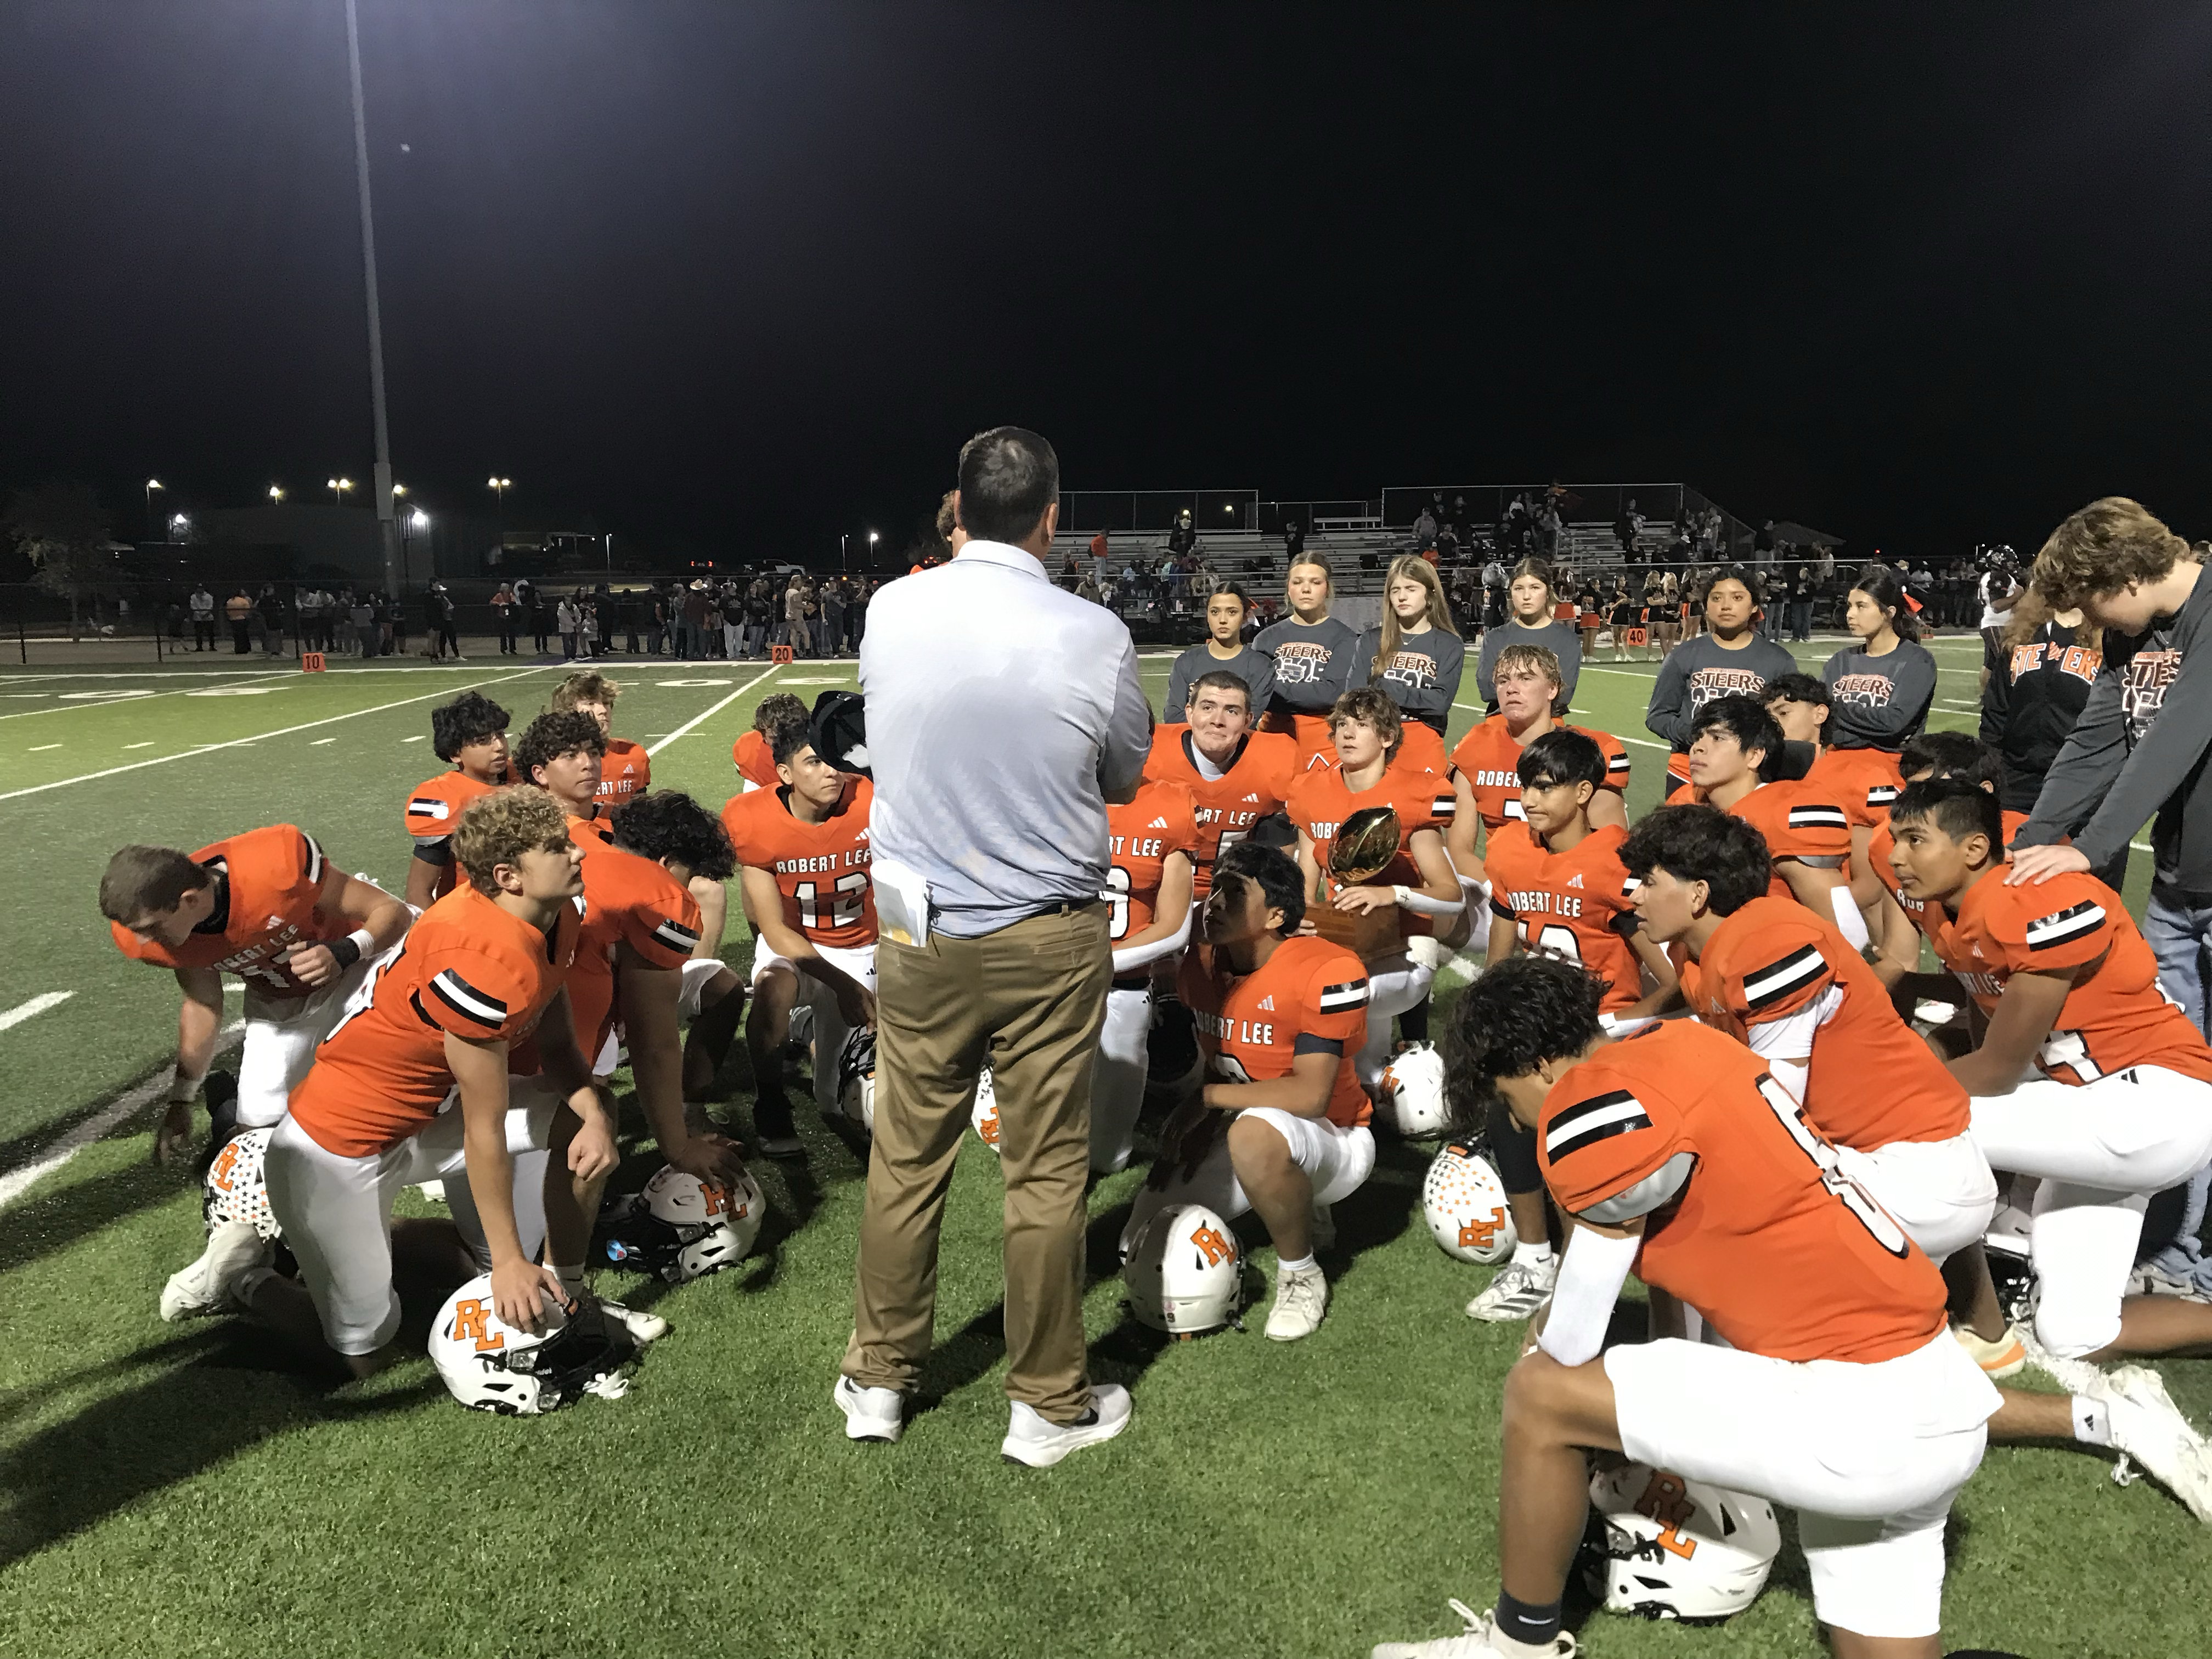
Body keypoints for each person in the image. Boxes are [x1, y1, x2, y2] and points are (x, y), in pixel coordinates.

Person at [1373, 958, 2000, 1659]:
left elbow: (1573, 1340)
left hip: (1856, 1410)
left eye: (1506, 1096)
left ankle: (1515, 1647)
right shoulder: (1688, 1043)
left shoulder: (1589, 1100)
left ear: (1540, 1063)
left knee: (1540, 1397)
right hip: (1937, 1393)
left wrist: (1547, 1345)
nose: (1516, 1118)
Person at [837, 426, 1149, 1465]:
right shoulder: (1094, 632)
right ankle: (1044, 1400)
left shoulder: (891, 604)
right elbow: (1119, 778)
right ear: (1052, 517)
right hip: (1046, 933)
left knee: (906, 1156)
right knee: (1046, 1173)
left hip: (916, 929)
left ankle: (877, 1379)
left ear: (956, 507)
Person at [1620, 804, 2020, 1373]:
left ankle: (1698, 1375)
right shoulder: (1712, 946)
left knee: (1693, 1199)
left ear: (1698, 894)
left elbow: (1771, 1113)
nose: (1634, 895)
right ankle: (1979, 1334)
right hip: (1883, 1159)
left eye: (1651, 880)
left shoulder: (1768, 944)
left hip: (1917, 1175)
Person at [246, 790, 610, 1376]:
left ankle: (565, 1284)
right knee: (363, 1359)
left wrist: (592, 1116)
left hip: (425, 1120)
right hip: (341, 1147)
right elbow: (483, 1125)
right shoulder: (480, 957)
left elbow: (561, 1047)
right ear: (507, 876)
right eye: (557, 847)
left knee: (588, 1114)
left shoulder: (553, 913)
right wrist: (510, 1262)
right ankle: (247, 1277)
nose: (576, 854)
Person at [1888, 781, 2212, 1389]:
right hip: (2091, 1110)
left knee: (1915, 1124)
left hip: (2155, 1102)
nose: (1898, 856)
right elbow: (1990, 1033)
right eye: (1895, 839)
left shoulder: (2037, 901)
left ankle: (1980, 1329)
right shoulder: (1946, 910)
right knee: (2077, 1335)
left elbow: (1996, 1071)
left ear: (1975, 848)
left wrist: (1876, 1090)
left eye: (1915, 840)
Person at [1120, 842, 1373, 1342]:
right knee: (1138, 1244)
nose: (1213, 903)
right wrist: (1199, 1129)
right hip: (1252, 1118)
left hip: (1335, 1137)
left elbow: (1309, 1098)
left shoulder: (1326, 969)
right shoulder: (1202, 964)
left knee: (1258, 1133)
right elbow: (1225, 1064)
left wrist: (1207, 1103)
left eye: (1234, 895)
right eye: (1215, 889)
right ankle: (1292, 1198)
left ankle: (1301, 1272)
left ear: (1277, 914)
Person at [100, 826, 414, 1164]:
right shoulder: (158, 934)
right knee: (257, 1138)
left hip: (367, 965)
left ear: (189, 900)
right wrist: (181, 1101)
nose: (144, 941)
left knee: (414, 1062)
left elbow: (392, 911)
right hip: (283, 999)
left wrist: (346, 951)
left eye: (151, 928)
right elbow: (203, 1004)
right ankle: (227, 1110)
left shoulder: (274, 871)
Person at [1286, 689, 1463, 1092]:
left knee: (1340, 997)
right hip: (1344, 936)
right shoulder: (1312, 790)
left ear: (1387, 737)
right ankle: (1373, 1085)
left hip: (1404, 944)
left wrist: (1393, 894)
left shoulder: (1414, 794)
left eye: (1361, 725)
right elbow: (1306, 879)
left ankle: (1359, 1084)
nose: (1347, 734)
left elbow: (1452, 894)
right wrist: (1299, 919)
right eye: (1342, 725)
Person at [720, 726, 877, 1156]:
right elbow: (774, 930)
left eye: (834, 761)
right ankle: (770, 1103)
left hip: (860, 945)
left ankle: (806, 1029)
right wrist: (843, 986)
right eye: (815, 762)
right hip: (795, 942)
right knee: (774, 986)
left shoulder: (871, 798)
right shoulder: (753, 818)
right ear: (786, 773)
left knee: (840, 1103)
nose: (831, 773)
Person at [1444, 646, 1628, 905]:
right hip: (1500, 888)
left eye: (1526, 678)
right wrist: (1502, 894)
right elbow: (1459, 850)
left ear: (1552, 689)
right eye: (1503, 680)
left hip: (1576, 889)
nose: (1511, 688)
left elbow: (1611, 846)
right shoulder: (1475, 747)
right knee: (1430, 915)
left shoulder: (1590, 749)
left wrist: (1549, 897)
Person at [1685, 695, 1867, 947]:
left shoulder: (1779, 813)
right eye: (1698, 737)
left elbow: (1848, 934)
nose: (1698, 747)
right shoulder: (1689, 805)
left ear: (1754, 755)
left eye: (1717, 738)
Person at [1091, 774, 1199, 1174]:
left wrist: (1095, 964)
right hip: (1052, 979)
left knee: (1108, 1155)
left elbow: (1174, 929)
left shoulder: (1171, 806)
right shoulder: (1054, 789)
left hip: (1124, 984)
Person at [1143, 670, 1299, 900]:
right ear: (1189, 713)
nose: (1218, 720)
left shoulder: (1277, 756)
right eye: (1208, 707)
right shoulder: (1152, 751)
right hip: (1155, 889)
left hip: (1233, 894)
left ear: (1248, 720)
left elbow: (1279, 850)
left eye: (1232, 711)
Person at [1644, 565, 1796, 798]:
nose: (1726, 606)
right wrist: (1699, 736)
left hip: (1748, 774)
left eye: (1737, 597)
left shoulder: (1779, 661)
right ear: (1706, 606)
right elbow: (1658, 716)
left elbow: (1788, 724)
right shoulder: (1683, 655)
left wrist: (1740, 745)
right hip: (1688, 770)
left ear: (1754, 605)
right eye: (1716, 598)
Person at [1818, 563, 1938, 826]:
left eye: (1862, 607)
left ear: (1889, 613)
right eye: (1850, 606)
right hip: (1834, 766)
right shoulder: (1840, 661)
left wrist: (1834, 710)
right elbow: (1818, 720)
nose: (1851, 615)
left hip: (1886, 771)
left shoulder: (1916, 661)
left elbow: (1894, 723)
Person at [1983, 591, 2106, 836]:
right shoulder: (2024, 635)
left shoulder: (2113, 634)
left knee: (2086, 871)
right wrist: (1993, 767)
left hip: (2085, 782)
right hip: (2018, 779)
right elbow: (1996, 708)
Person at [1355, 555, 1465, 779]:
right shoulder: (1369, 641)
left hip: (1423, 745)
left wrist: (1384, 687)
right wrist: (1418, 699)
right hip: (1373, 743)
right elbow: (1354, 698)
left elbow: (1439, 704)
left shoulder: (1448, 644)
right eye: (1395, 590)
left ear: (1430, 594)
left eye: (1411, 589)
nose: (1402, 597)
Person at [403, 692, 512, 909]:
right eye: (483, 741)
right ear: (455, 754)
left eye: (500, 734)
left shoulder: (521, 775)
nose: (499, 746)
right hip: (472, 913)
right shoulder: (444, 797)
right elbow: (418, 892)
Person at [1254, 557, 1358, 770]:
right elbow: (1256, 694)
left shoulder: (1345, 638)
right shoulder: (1265, 638)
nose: (1306, 589)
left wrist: (1276, 691)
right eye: (1298, 582)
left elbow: (1332, 694)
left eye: (1315, 582)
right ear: (1288, 588)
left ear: (1327, 588)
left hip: (1324, 744)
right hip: (1272, 738)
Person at [1472, 558, 1579, 715]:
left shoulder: (1567, 640)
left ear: (1548, 591)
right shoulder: (1495, 638)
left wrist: (1507, 685)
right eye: (1519, 589)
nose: (1526, 596)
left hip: (1548, 729)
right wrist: (1537, 688)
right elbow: (1487, 690)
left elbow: (1564, 694)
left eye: (1535, 587)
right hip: (1501, 726)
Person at [1162, 580, 1276, 719]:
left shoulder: (1261, 666)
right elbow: (1173, 717)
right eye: (1215, 612)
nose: (1223, 620)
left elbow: (1247, 720)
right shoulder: (1186, 662)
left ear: (1245, 616)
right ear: (1207, 616)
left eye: (1232, 612)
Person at [550, 671, 650, 812]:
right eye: (591, 703)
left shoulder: (633, 754)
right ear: (568, 710)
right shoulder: (551, 759)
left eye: (606, 703)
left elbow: (640, 813)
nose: (603, 710)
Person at [514, 709, 611, 845]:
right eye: (571, 755)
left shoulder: (623, 821)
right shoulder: (526, 837)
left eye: (593, 753)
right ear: (540, 774)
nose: (588, 764)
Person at [492, 583, 520, 655]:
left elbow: (514, 601)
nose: (507, 589)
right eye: (505, 588)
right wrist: (500, 604)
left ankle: (512, 648)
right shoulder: (499, 595)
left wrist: (509, 604)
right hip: (501, 616)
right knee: (502, 633)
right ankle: (503, 648)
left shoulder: (510, 595)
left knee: (512, 633)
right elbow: (493, 602)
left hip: (509, 616)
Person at [225, 588, 253, 653]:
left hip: (233, 619)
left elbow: (228, 610)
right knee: (243, 635)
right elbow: (247, 610)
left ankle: (238, 649)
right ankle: (244, 649)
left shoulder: (230, 601)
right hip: (242, 618)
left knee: (236, 635)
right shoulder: (243, 601)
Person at [189, 583, 216, 651]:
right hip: (198, 618)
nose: (200, 589)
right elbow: (193, 606)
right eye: (199, 588)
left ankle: (212, 646)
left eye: (201, 588)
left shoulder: (209, 596)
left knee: (211, 633)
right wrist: (199, 614)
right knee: (198, 634)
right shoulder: (193, 597)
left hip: (208, 617)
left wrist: (205, 613)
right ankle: (199, 647)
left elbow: (211, 606)